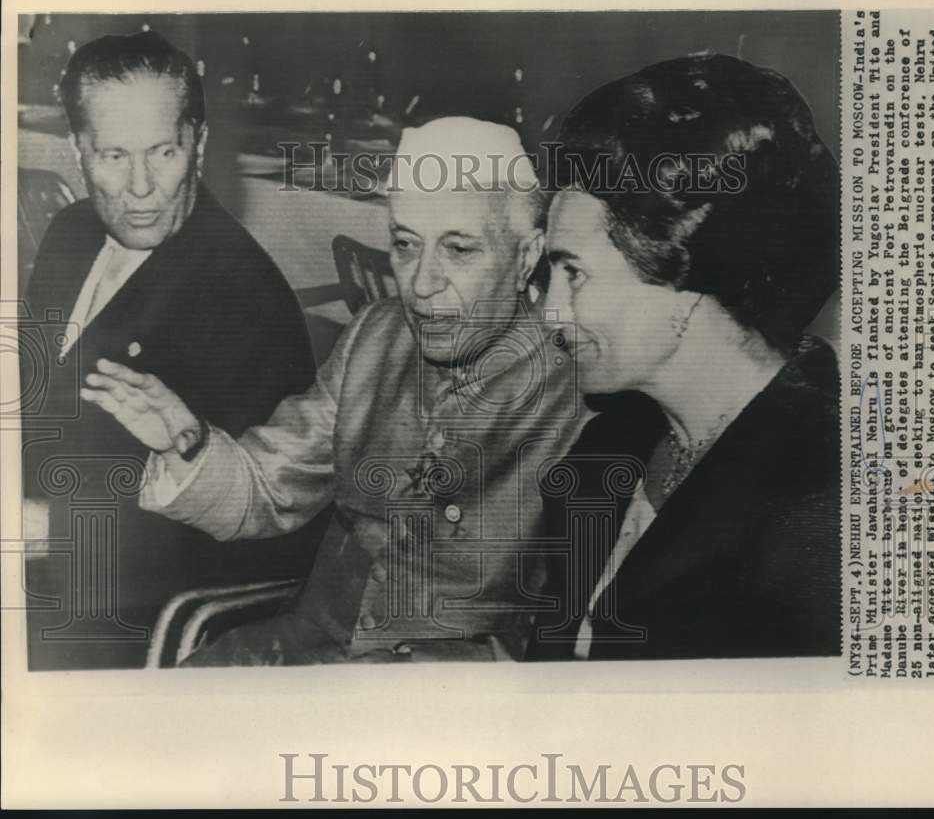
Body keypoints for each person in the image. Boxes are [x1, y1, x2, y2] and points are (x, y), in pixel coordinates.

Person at [82, 117, 584, 665]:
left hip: (451, 705)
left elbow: (578, 630)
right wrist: (187, 437)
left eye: (459, 250)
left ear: (528, 256)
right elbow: (270, 489)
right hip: (301, 653)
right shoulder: (375, 337)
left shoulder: (579, 386)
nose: (420, 283)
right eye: (405, 245)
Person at [526, 54, 841, 661]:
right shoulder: (607, 452)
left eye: (573, 273)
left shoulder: (823, 507)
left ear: (691, 277)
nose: (550, 314)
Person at [21, 31, 319, 670]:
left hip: (121, 619)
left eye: (162, 151)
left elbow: (252, 543)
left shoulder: (246, 299)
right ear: (78, 151)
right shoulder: (71, 233)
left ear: (199, 144)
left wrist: (46, 529)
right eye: (112, 155)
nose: (140, 188)